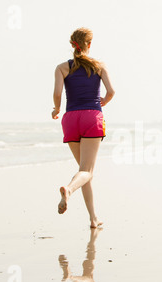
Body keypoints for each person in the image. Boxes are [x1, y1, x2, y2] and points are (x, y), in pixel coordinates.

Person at [52, 27, 115, 228]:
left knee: (84, 171)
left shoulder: (62, 67)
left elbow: (57, 93)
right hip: (91, 116)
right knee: (87, 171)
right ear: (89, 44)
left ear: (72, 45)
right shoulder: (99, 66)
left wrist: (56, 109)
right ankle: (69, 189)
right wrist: (105, 99)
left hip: (70, 118)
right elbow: (111, 91)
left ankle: (93, 218)